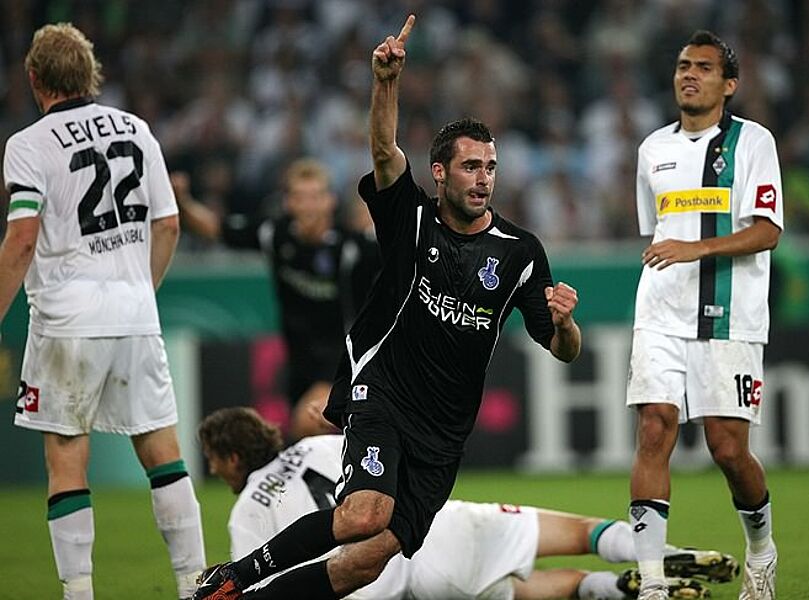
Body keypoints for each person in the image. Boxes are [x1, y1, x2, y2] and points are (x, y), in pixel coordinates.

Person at [194, 14, 583, 600]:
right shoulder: (412, 217)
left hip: (444, 432)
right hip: (385, 393)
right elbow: (382, 150)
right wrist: (386, 82)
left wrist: (565, 323)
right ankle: (234, 577)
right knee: (363, 515)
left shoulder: (521, 251)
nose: (483, 179)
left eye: (490, 167)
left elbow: (562, 349)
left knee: (368, 561)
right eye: (470, 166)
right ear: (440, 172)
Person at [0, 23, 206, 599]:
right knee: (163, 454)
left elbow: (21, 240)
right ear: (90, 73)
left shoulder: (28, 145)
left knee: (67, 458)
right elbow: (168, 224)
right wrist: (141, 290)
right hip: (135, 314)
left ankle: (79, 594)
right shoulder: (137, 129)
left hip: (67, 320)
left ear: (34, 78)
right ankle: (196, 585)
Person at [199, 407, 740, 599]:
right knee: (576, 531)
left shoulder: (247, 510)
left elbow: (255, 585)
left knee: (507, 592)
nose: (214, 469)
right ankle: (661, 557)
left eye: (213, 459)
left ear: (231, 457)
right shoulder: (322, 444)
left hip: (376, 587)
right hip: (426, 534)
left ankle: (610, 589)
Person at [626, 30, 783, 600]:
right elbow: (657, 233)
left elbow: (767, 231)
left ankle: (762, 550)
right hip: (661, 312)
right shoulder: (652, 149)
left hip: (730, 317)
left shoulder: (753, 142)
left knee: (728, 449)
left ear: (729, 84)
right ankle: (652, 583)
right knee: (654, 428)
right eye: (682, 66)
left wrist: (695, 249)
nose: (689, 74)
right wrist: (679, 252)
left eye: (704, 67)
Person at [170, 158, 380, 440]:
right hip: (297, 361)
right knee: (310, 438)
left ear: (330, 201)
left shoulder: (351, 247)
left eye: (315, 197)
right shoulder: (275, 235)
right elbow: (215, 228)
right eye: (300, 197)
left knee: (306, 424)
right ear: (288, 202)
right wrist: (182, 202)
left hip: (342, 362)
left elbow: (400, 257)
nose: (308, 206)